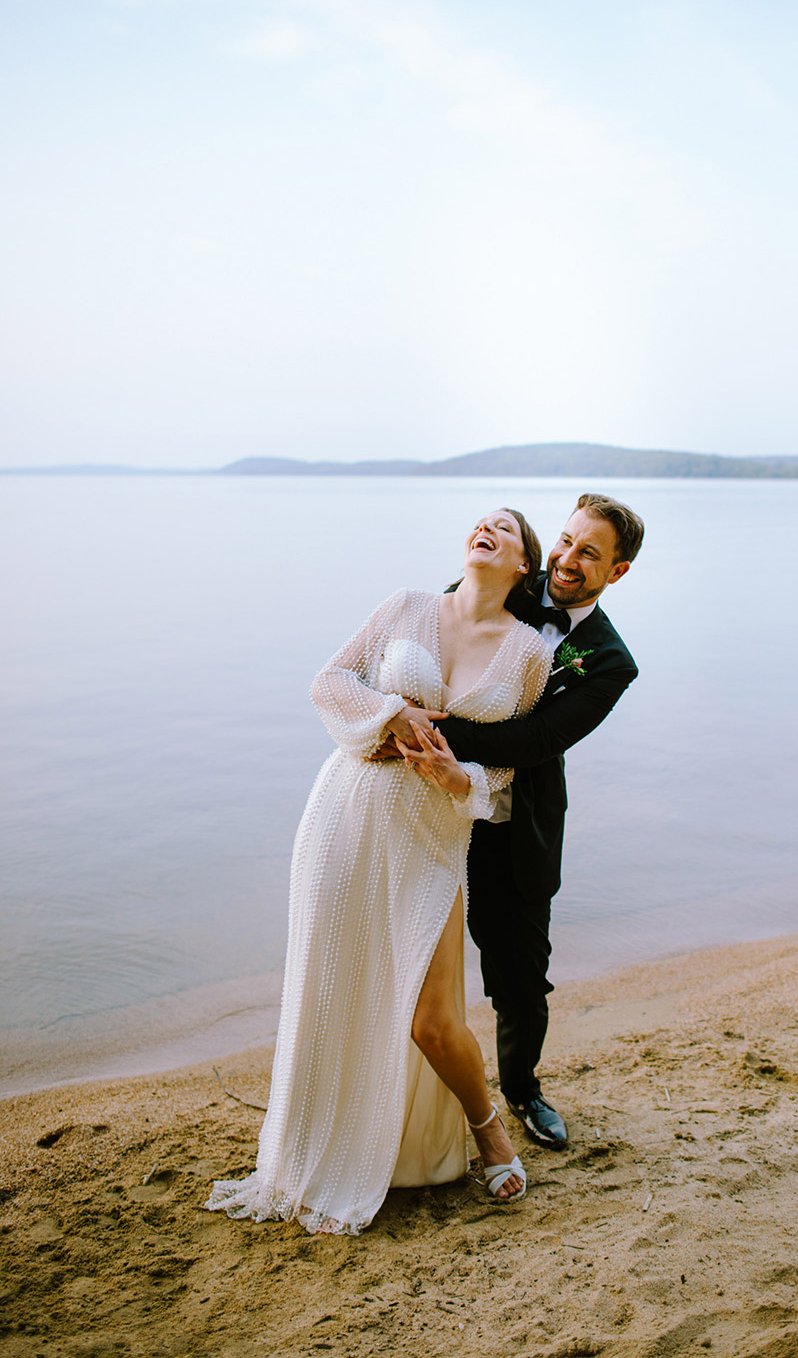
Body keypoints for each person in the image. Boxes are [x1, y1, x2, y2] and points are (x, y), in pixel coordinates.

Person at [205, 508, 552, 1235]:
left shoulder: (528, 653)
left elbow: (509, 769)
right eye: (481, 521)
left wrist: (464, 783)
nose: (486, 527)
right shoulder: (406, 606)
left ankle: (490, 1131)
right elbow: (328, 681)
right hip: (349, 812)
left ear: (525, 565)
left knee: (433, 1019)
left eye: (506, 528)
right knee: (335, 982)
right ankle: (324, 1145)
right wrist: (391, 713)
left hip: (433, 835)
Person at [390, 493, 643, 1150]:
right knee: (414, 955)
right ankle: (407, 1088)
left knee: (519, 976)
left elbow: (536, 741)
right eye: (565, 540)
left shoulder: (611, 662)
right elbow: (435, 641)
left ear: (616, 571)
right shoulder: (505, 576)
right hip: (430, 805)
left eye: (590, 553)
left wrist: (441, 738)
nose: (568, 559)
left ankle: (523, 1089)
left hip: (513, 822)